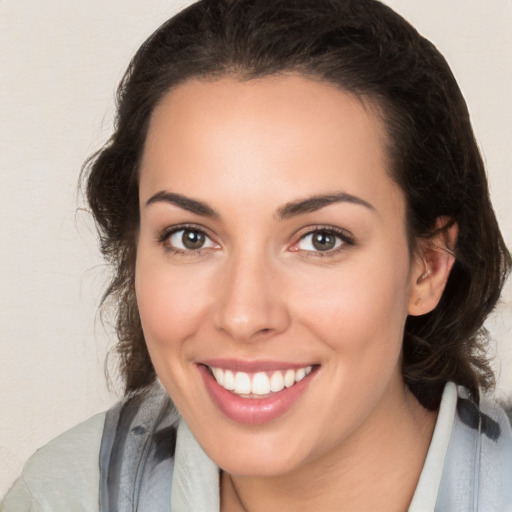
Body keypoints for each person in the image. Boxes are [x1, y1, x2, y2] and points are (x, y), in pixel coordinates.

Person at [2, 0, 511, 510]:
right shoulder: (62, 498)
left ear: (428, 266)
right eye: (190, 237)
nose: (243, 315)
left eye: (321, 239)